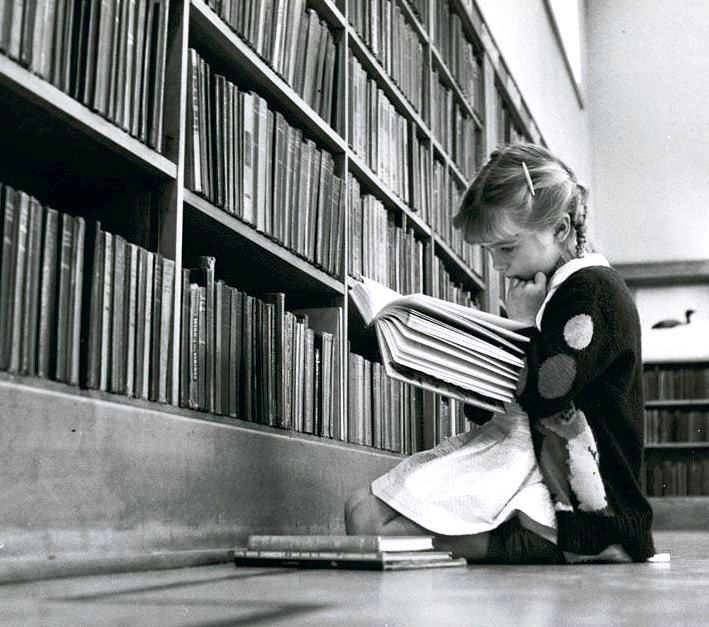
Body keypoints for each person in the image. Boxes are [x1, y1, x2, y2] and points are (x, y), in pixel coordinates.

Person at [344, 143, 656, 564]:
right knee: (360, 509)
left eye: (507, 249)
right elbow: (498, 403)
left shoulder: (595, 293)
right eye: (491, 251)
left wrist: (524, 325)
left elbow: (548, 389)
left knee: (369, 525)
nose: (498, 267)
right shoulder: (548, 285)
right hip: (529, 462)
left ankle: (570, 544)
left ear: (561, 230)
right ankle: (528, 537)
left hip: (580, 502)